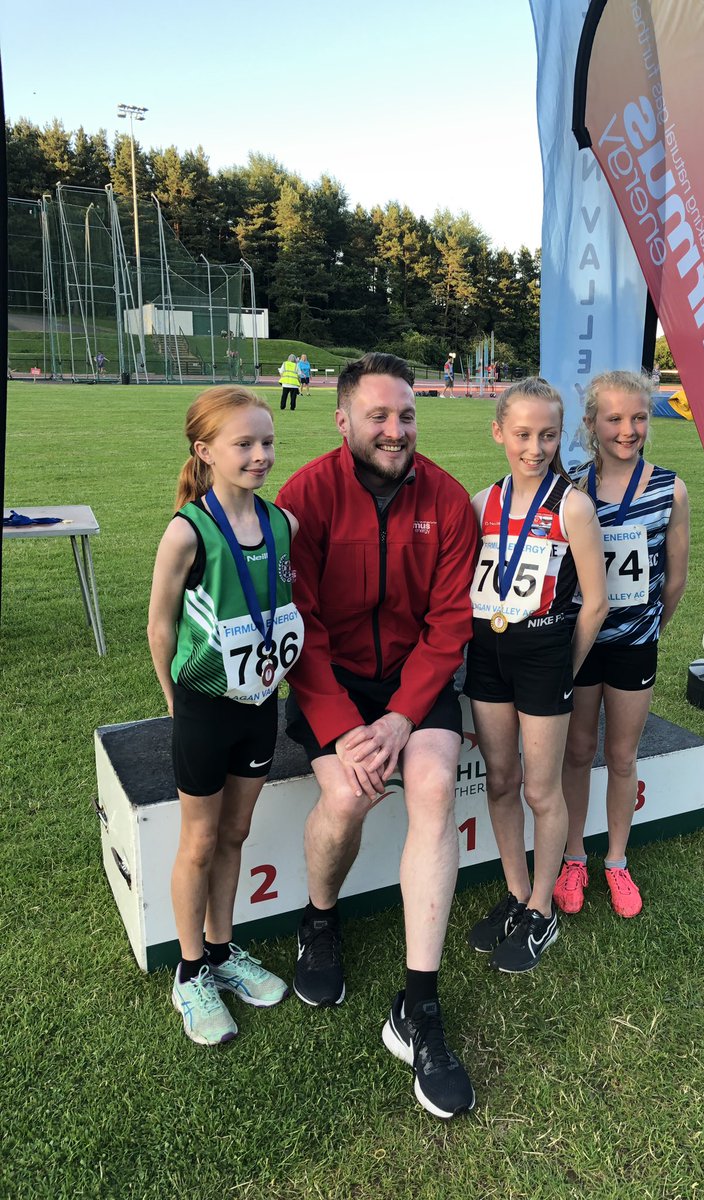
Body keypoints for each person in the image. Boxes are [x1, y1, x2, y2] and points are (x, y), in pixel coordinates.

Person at [276, 352, 479, 1120]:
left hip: (414, 683)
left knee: (430, 784)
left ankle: (417, 1010)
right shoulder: (306, 496)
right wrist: (341, 726)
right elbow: (300, 624)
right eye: (379, 417)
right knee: (351, 794)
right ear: (343, 421)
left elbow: (450, 620)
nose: (397, 431)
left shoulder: (449, 499)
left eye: (407, 415)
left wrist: (402, 715)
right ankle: (319, 920)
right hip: (333, 680)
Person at [147, 386, 302, 1046]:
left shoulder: (282, 523)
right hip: (205, 709)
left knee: (235, 834)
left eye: (267, 442)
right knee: (200, 841)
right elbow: (160, 625)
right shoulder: (189, 530)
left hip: (259, 705)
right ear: (206, 452)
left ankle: (221, 949)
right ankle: (190, 973)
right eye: (245, 444)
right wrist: (173, 701)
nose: (261, 455)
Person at [463, 377, 608, 973]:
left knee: (539, 790)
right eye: (522, 434)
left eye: (547, 435)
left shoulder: (572, 504)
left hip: (546, 654)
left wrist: (562, 670)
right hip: (487, 651)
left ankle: (543, 910)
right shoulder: (481, 503)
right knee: (500, 780)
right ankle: (518, 893)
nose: (535, 446)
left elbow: (595, 603)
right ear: (499, 432)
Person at [553, 370, 690, 920]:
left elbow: (675, 577)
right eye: (614, 418)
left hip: (635, 643)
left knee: (622, 754)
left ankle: (615, 860)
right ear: (591, 424)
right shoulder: (573, 488)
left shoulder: (671, 488)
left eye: (637, 418)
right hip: (584, 641)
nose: (627, 430)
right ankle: (572, 857)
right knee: (578, 750)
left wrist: (653, 628)